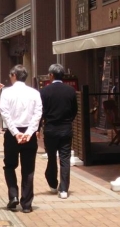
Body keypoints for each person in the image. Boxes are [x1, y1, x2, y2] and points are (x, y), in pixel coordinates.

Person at [0, 65, 42, 213]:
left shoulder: (6, 92)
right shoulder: (35, 93)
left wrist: (15, 132)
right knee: (28, 169)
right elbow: (38, 114)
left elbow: (4, 113)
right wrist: (29, 132)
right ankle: (27, 204)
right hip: (29, 134)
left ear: (14, 75)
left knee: (9, 166)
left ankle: (13, 196)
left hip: (12, 134)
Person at [38, 64, 78, 200]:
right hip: (66, 128)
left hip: (50, 129)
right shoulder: (71, 91)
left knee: (51, 157)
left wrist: (38, 128)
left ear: (51, 75)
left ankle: (53, 183)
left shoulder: (44, 92)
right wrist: (68, 120)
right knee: (65, 159)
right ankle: (64, 189)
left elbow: (40, 112)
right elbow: (74, 111)